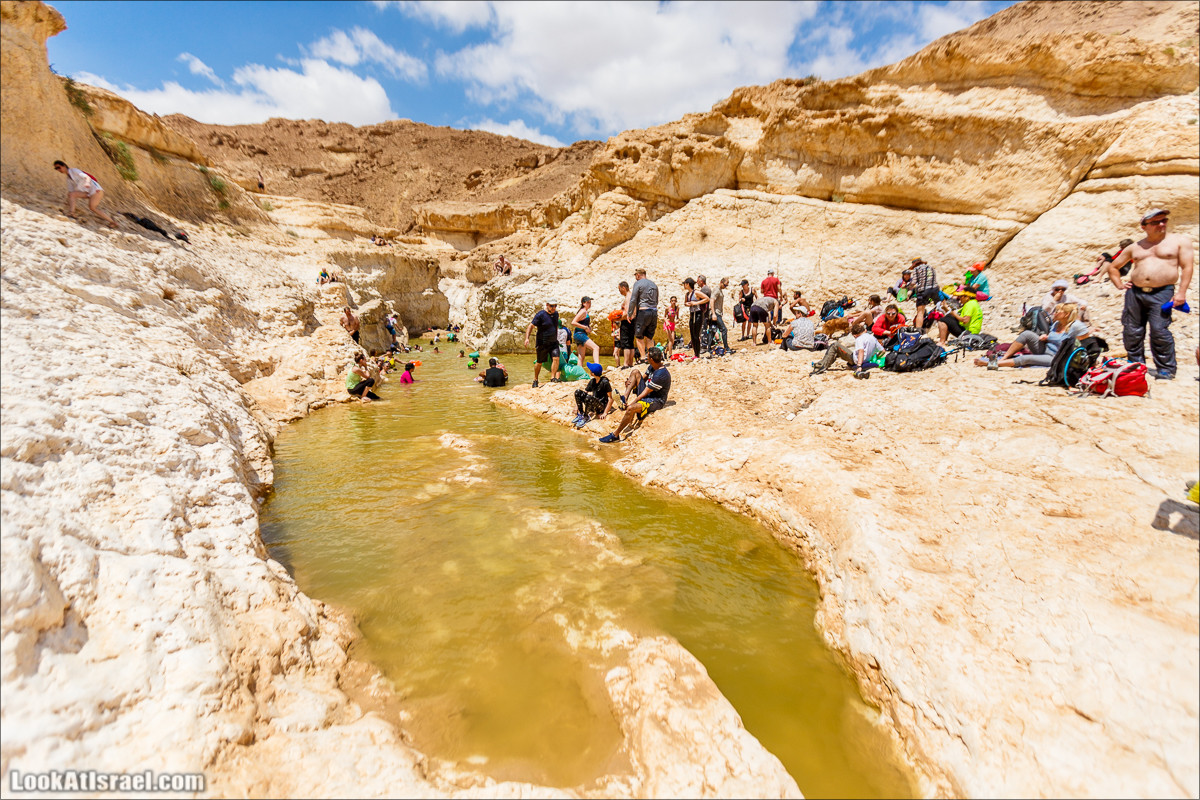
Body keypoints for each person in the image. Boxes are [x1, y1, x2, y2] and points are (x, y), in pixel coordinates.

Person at [1107, 208, 1193, 380]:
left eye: (1164, 220)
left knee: (1159, 330)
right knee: (1132, 331)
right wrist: (1119, 284)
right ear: (1143, 226)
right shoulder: (1135, 247)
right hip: (1135, 293)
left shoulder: (1179, 242)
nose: (1161, 224)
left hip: (1162, 292)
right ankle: (1136, 365)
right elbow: (1113, 267)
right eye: (1155, 222)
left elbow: (1187, 267)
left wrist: (1181, 293)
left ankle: (1166, 369)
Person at [976, 303, 1092, 369]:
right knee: (1027, 334)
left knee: (1025, 359)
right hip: (1045, 349)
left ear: (1066, 314)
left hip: (1056, 356)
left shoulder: (1076, 326)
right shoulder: (1057, 324)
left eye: (1057, 312)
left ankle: (991, 364)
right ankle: (1005, 358)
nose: (1054, 313)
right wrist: (1045, 337)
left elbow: (1088, 343)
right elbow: (1052, 337)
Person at [599, 347, 670, 443]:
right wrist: (630, 383)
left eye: (647, 356)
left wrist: (632, 403)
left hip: (656, 400)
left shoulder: (661, 374)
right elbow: (642, 379)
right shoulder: (652, 366)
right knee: (635, 372)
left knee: (631, 408)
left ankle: (615, 435)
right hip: (648, 394)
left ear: (652, 359)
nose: (646, 357)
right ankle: (624, 398)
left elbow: (644, 393)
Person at [53, 160, 118, 229]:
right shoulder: (69, 179)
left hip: (96, 190)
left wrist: (87, 183)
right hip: (87, 192)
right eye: (56, 169)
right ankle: (72, 213)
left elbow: (87, 177)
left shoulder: (74, 171)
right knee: (72, 194)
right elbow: (70, 192)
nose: (58, 170)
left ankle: (113, 222)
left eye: (58, 167)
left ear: (64, 166)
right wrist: (67, 202)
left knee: (92, 207)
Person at [811, 323, 876, 378]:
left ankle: (821, 365)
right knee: (837, 350)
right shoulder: (872, 338)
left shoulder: (860, 339)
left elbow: (861, 351)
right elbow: (882, 351)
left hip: (856, 359)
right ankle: (822, 363)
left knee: (835, 345)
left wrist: (859, 365)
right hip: (866, 359)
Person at [524, 299, 561, 387]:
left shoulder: (556, 314)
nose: (554, 308)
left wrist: (556, 336)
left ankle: (553, 378)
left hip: (553, 342)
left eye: (555, 306)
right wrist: (527, 338)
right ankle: (535, 379)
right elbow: (531, 326)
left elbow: (555, 325)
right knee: (539, 362)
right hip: (542, 343)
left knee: (556, 358)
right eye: (552, 306)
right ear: (547, 305)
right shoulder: (540, 315)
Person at [627, 268, 660, 362]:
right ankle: (651, 357)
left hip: (643, 311)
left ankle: (643, 357)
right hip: (654, 311)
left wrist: (629, 313)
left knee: (639, 335)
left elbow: (633, 299)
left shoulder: (638, 283)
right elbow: (657, 300)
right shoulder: (653, 284)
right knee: (649, 336)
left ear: (638, 275)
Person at [572, 363, 615, 427]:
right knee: (577, 392)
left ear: (593, 373)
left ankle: (586, 417)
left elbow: (611, 399)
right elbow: (585, 392)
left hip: (601, 406)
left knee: (588, 398)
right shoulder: (592, 381)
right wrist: (577, 406)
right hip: (593, 402)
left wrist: (605, 413)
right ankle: (581, 414)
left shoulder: (605, 382)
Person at [570, 296, 602, 365]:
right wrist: (585, 327)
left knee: (581, 357)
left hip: (578, 334)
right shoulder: (583, 311)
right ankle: (597, 368)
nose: (589, 304)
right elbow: (573, 322)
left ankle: (579, 373)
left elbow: (581, 322)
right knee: (596, 348)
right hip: (580, 334)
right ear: (583, 303)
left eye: (590, 302)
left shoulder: (584, 311)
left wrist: (588, 328)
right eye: (588, 302)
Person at [908, 258, 939, 329]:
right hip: (935, 289)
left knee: (920, 312)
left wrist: (907, 286)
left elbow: (914, 282)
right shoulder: (931, 267)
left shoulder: (917, 269)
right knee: (942, 305)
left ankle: (918, 330)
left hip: (923, 291)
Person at [682, 277, 707, 358]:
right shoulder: (687, 294)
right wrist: (688, 304)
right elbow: (685, 303)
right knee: (692, 334)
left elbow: (707, 298)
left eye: (685, 284)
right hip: (692, 314)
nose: (684, 285)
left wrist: (696, 303)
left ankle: (697, 354)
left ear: (688, 284)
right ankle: (696, 353)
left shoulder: (696, 292)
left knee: (696, 334)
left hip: (698, 313)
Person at [616, 281, 635, 367]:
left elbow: (627, 312)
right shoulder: (632, 295)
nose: (619, 291)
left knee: (626, 342)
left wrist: (617, 318)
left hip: (627, 321)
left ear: (623, 288)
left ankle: (626, 364)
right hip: (633, 321)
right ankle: (630, 363)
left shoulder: (628, 297)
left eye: (619, 289)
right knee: (630, 342)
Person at [708, 277, 730, 352]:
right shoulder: (717, 290)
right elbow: (712, 300)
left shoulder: (720, 290)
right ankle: (726, 348)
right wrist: (713, 313)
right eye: (725, 285)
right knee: (724, 329)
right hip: (715, 313)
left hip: (717, 313)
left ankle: (708, 349)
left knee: (712, 330)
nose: (725, 287)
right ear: (721, 282)